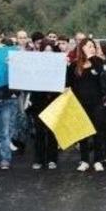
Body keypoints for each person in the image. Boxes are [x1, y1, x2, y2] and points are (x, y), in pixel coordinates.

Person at [67, 38, 106, 172]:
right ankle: (84, 160)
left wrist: (93, 58)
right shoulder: (74, 65)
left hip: (96, 102)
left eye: (93, 46)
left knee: (98, 131)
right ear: (82, 48)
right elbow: (69, 83)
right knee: (82, 132)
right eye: (89, 46)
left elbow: (101, 74)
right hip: (79, 103)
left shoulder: (99, 62)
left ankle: (98, 159)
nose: (92, 48)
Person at [28, 39, 60, 170]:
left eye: (50, 51)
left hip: (54, 101)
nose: (48, 53)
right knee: (39, 132)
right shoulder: (35, 65)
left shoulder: (58, 64)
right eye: (45, 51)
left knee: (52, 132)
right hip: (38, 101)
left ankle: (52, 158)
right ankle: (39, 159)